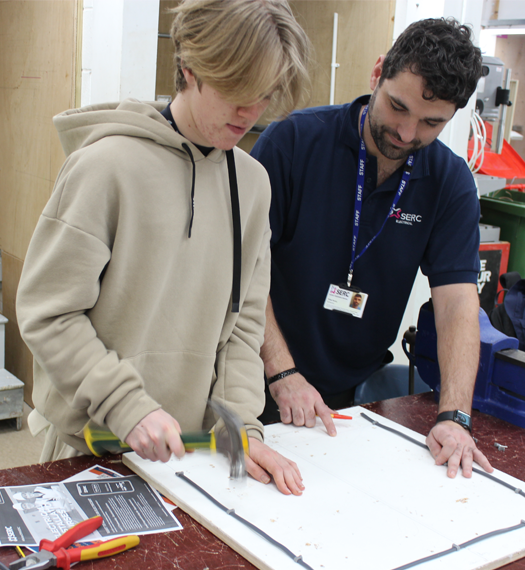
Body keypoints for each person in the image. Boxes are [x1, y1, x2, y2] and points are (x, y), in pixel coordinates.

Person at [16, 0, 311, 495]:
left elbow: (243, 327)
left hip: (196, 456)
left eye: (264, 95)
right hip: (92, 446)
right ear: (189, 68)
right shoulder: (105, 167)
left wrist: (240, 428)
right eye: (235, 90)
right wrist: (128, 405)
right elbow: (49, 314)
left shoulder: (253, 185)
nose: (251, 112)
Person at [251, 18, 494, 479]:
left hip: (350, 393)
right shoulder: (294, 143)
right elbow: (244, 270)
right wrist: (282, 374)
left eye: (431, 122)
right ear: (378, 72)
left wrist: (454, 416)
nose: (406, 133)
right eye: (397, 107)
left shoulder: (449, 182)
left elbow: (458, 302)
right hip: (255, 377)